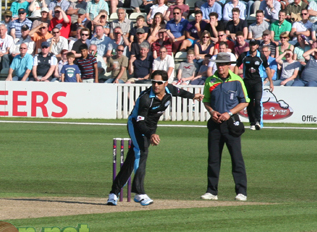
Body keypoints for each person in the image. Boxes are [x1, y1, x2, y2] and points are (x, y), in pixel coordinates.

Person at [108, 70, 204, 206]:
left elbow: (180, 92)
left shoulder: (169, 90)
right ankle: (139, 193)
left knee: (131, 159)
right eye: (154, 82)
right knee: (141, 152)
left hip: (151, 126)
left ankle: (114, 193)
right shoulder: (146, 98)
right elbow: (140, 122)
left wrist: (194, 96)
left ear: (165, 83)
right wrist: (150, 135)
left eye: (159, 83)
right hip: (136, 125)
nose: (156, 85)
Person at [202, 53, 250, 201]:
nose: (220, 67)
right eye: (218, 64)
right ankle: (212, 191)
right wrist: (211, 111)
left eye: (223, 64)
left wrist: (229, 113)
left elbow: (245, 101)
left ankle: (241, 191)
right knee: (213, 159)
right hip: (215, 124)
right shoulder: (211, 81)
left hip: (231, 124)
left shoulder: (237, 80)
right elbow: (206, 100)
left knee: (237, 158)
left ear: (229, 65)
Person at [237, 39, 272, 130]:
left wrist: (271, 82)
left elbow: (267, 69)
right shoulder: (244, 56)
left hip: (258, 81)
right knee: (249, 102)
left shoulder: (261, 57)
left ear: (257, 46)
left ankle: (258, 122)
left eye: (254, 45)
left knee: (257, 101)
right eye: (251, 44)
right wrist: (237, 79)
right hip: (247, 82)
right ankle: (252, 122)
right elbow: (237, 66)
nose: (252, 46)